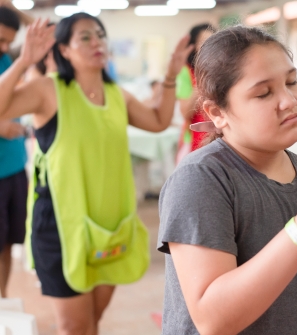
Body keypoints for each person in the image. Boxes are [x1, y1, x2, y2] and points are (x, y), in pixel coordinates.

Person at [0, 15, 192, 334]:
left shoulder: (116, 94)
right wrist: (22, 63)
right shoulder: (49, 90)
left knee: (91, 324)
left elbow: (158, 120)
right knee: (75, 329)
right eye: (85, 37)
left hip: (108, 231)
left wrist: (171, 77)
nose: (96, 42)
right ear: (64, 49)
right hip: (62, 231)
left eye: (100, 35)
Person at [158, 25, 297, 334]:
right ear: (217, 112)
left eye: (292, 82)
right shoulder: (201, 179)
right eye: (263, 93)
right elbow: (213, 320)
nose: (289, 100)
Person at [0, 5, 33, 298]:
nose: (5, 46)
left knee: (9, 241)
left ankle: (3, 299)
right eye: (0, 39)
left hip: (12, 167)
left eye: (9, 41)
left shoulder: (6, 60)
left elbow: (40, 28)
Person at [175, 23, 216, 157]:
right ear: (193, 47)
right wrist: (202, 79)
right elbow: (186, 113)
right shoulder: (186, 73)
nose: (208, 47)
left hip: (218, 137)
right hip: (194, 139)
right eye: (203, 42)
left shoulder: (222, 72)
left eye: (212, 41)